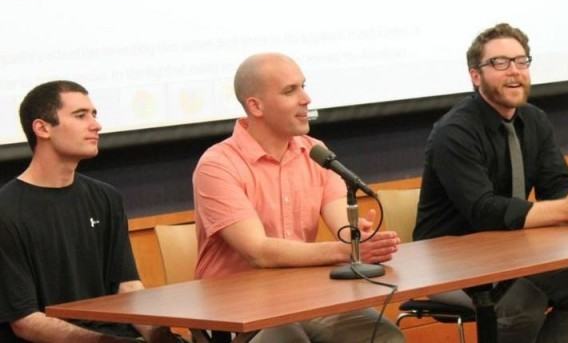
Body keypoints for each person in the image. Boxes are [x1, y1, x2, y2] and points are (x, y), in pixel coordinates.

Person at [414, 23, 568, 342]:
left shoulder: (534, 119)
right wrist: (564, 211)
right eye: (500, 63)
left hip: (516, 252)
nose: (513, 72)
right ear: (475, 76)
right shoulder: (453, 132)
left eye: (521, 61)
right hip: (452, 261)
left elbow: (557, 188)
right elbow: (483, 209)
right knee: (522, 306)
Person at [192, 53, 404, 343]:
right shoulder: (218, 165)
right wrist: (347, 252)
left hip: (304, 296)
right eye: (290, 91)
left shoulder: (315, 152)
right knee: (289, 339)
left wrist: (359, 239)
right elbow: (259, 252)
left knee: (381, 335)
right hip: (238, 308)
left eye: (303, 86)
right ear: (256, 106)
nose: (306, 98)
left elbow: (344, 229)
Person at [0, 81, 179, 342]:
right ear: (42, 128)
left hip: (116, 334)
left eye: (94, 115)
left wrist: (158, 335)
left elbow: (127, 287)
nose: (96, 125)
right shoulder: (7, 211)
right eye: (80, 115)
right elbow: (26, 321)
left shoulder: (105, 198)